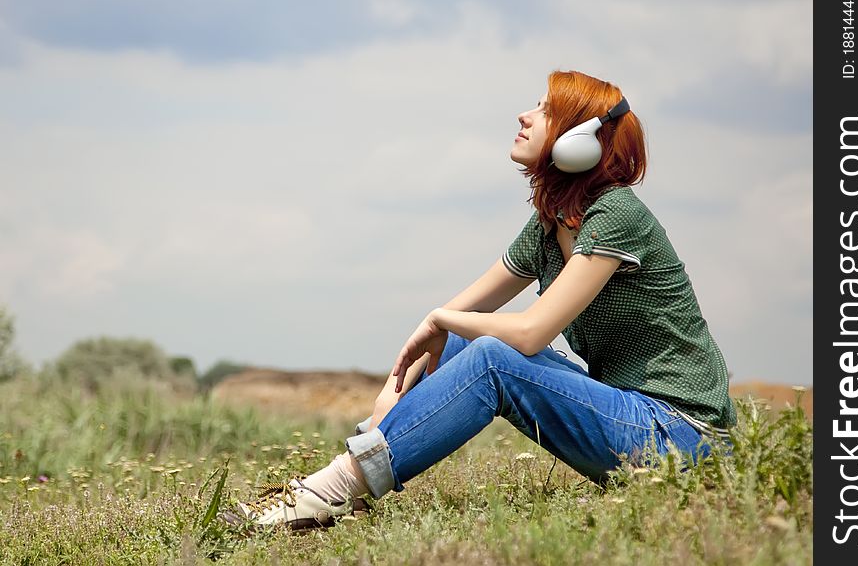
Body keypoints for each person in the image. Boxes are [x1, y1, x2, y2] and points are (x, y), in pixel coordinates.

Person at [229, 70, 736, 530]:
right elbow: (457, 321)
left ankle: (330, 494)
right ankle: (345, 481)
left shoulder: (616, 215)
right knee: (457, 345)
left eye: (544, 110)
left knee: (494, 357)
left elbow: (531, 332)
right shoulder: (549, 224)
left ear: (580, 140)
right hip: (631, 422)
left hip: (681, 439)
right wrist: (396, 386)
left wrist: (440, 318)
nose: (524, 114)